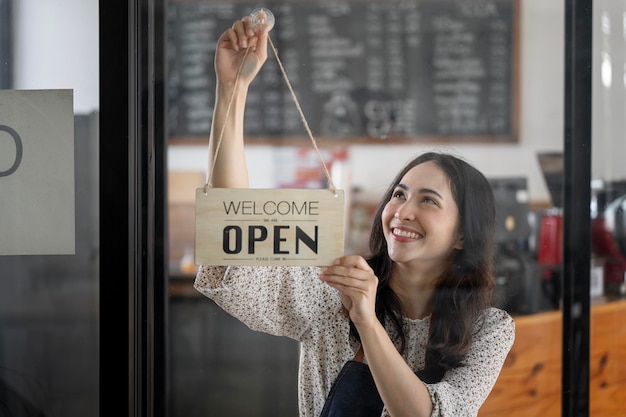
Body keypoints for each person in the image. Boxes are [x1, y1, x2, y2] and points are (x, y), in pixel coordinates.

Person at [194, 13, 515, 417]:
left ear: (462, 235)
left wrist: (366, 319)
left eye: (428, 201)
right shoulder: (334, 292)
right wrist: (232, 89)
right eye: (399, 194)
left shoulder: (489, 329)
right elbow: (231, 245)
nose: (402, 211)